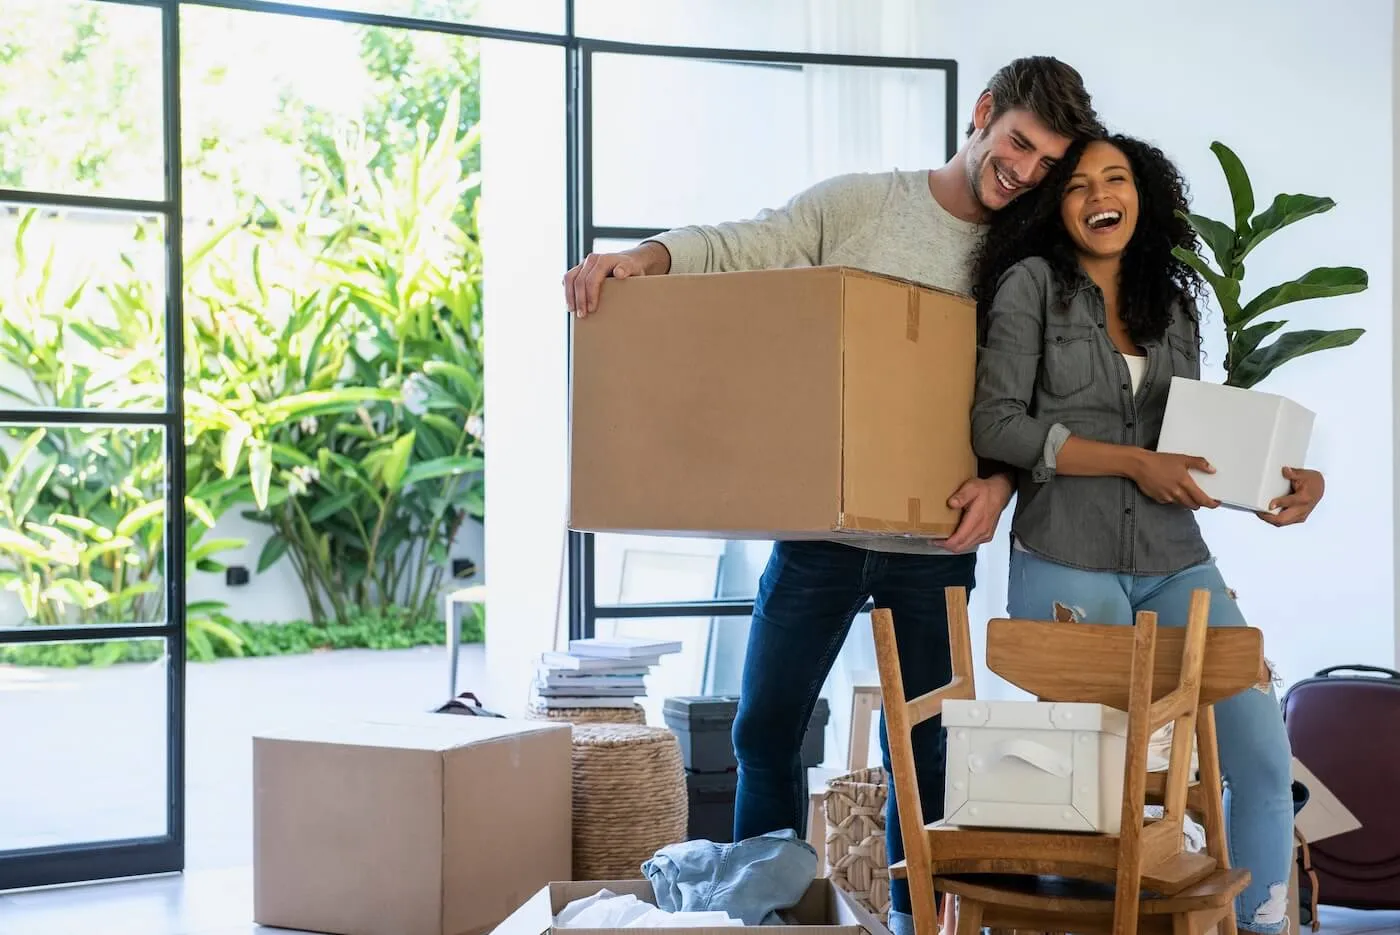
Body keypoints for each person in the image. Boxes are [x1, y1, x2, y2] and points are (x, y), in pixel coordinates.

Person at [563, 56, 1103, 935]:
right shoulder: (863, 205)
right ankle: (763, 915)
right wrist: (645, 258)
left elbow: (1038, 392)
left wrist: (1003, 483)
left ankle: (912, 921)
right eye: (1018, 146)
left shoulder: (1024, 254)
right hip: (823, 530)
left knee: (920, 754)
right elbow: (752, 241)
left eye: (1045, 164)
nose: (1026, 173)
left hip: (938, 542)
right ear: (982, 113)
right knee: (762, 732)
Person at [970, 133, 1326, 934]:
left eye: (1117, 177)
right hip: (1067, 554)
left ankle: (1267, 923)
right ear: (1054, 206)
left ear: (1142, 195)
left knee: (1264, 760)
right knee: (1101, 787)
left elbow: (1195, 444)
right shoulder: (1030, 286)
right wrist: (1132, 463)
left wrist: (1286, 482)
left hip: (1175, 559)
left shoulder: (1171, 302)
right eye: (1078, 183)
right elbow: (997, 422)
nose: (1101, 193)